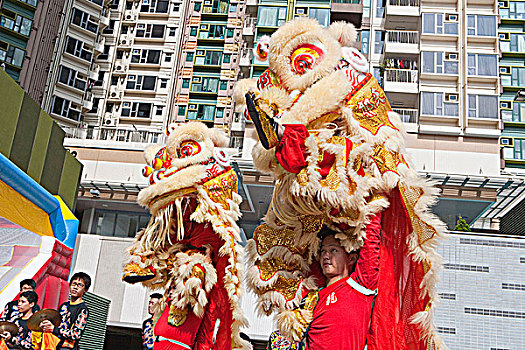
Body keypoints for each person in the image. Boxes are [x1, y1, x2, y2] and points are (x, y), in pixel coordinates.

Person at [267, 213, 381, 350]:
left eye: (333, 250)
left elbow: (371, 239)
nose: (326, 256)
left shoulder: (360, 284)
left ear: (351, 258)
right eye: (323, 251)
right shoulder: (310, 297)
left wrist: (374, 200)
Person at [40, 272, 90, 350]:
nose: (75, 287)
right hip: (55, 344)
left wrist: (54, 329)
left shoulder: (83, 309)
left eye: (79, 285)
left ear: (85, 290)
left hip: (67, 347)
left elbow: (76, 334)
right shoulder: (64, 306)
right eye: (74, 284)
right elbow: (56, 324)